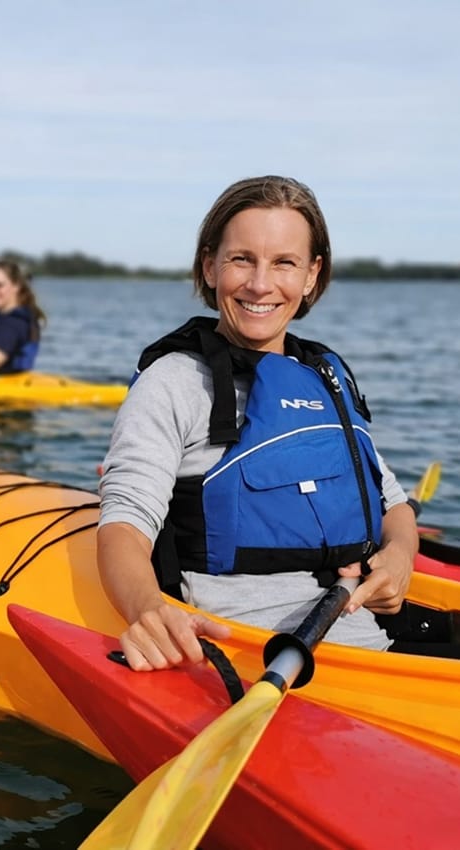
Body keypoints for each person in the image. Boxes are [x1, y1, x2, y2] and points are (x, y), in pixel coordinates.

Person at [97, 175, 419, 672]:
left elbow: (391, 503)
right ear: (210, 266)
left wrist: (400, 555)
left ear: (312, 275)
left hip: (362, 634)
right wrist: (147, 609)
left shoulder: (324, 378)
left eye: (284, 262)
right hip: (252, 652)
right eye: (242, 259)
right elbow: (125, 524)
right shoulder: (175, 382)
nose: (260, 284)